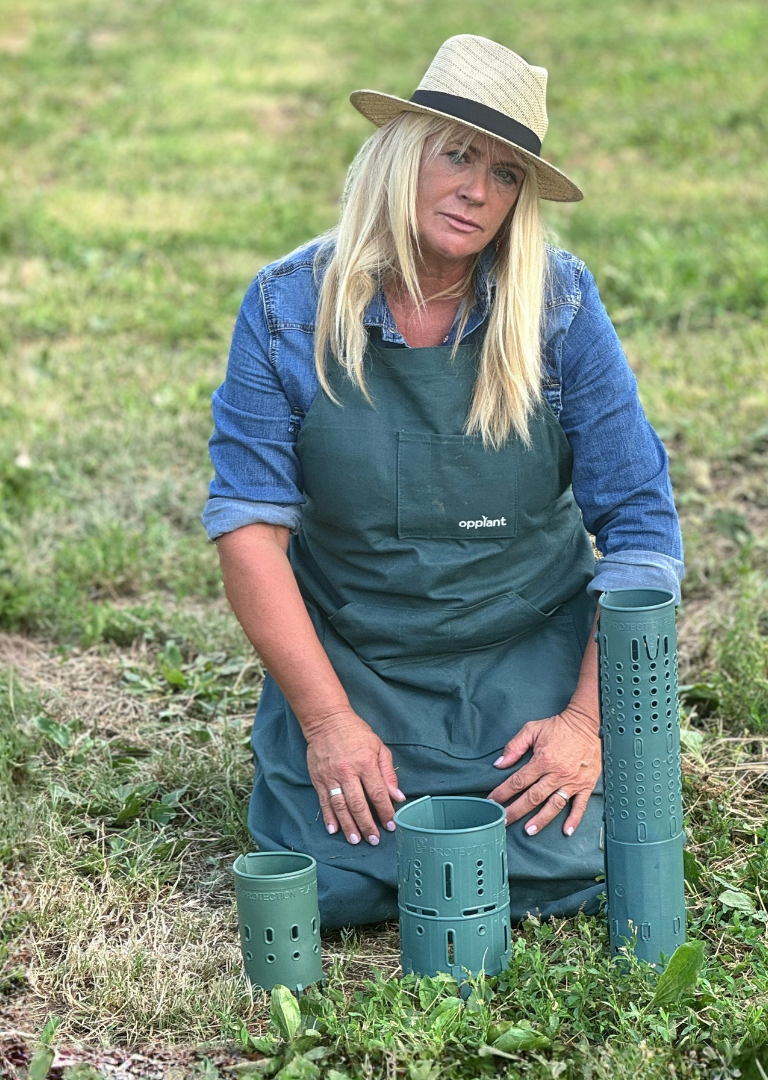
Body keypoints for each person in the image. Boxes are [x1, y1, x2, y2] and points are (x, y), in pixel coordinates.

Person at [205, 34, 683, 928]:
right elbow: (247, 532)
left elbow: (643, 534)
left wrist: (587, 725)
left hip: (527, 649)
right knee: (328, 885)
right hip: (359, 655)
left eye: (506, 175)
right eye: (457, 154)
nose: (477, 189)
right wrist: (326, 724)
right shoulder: (287, 306)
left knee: (569, 868)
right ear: (398, 153)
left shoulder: (559, 308)